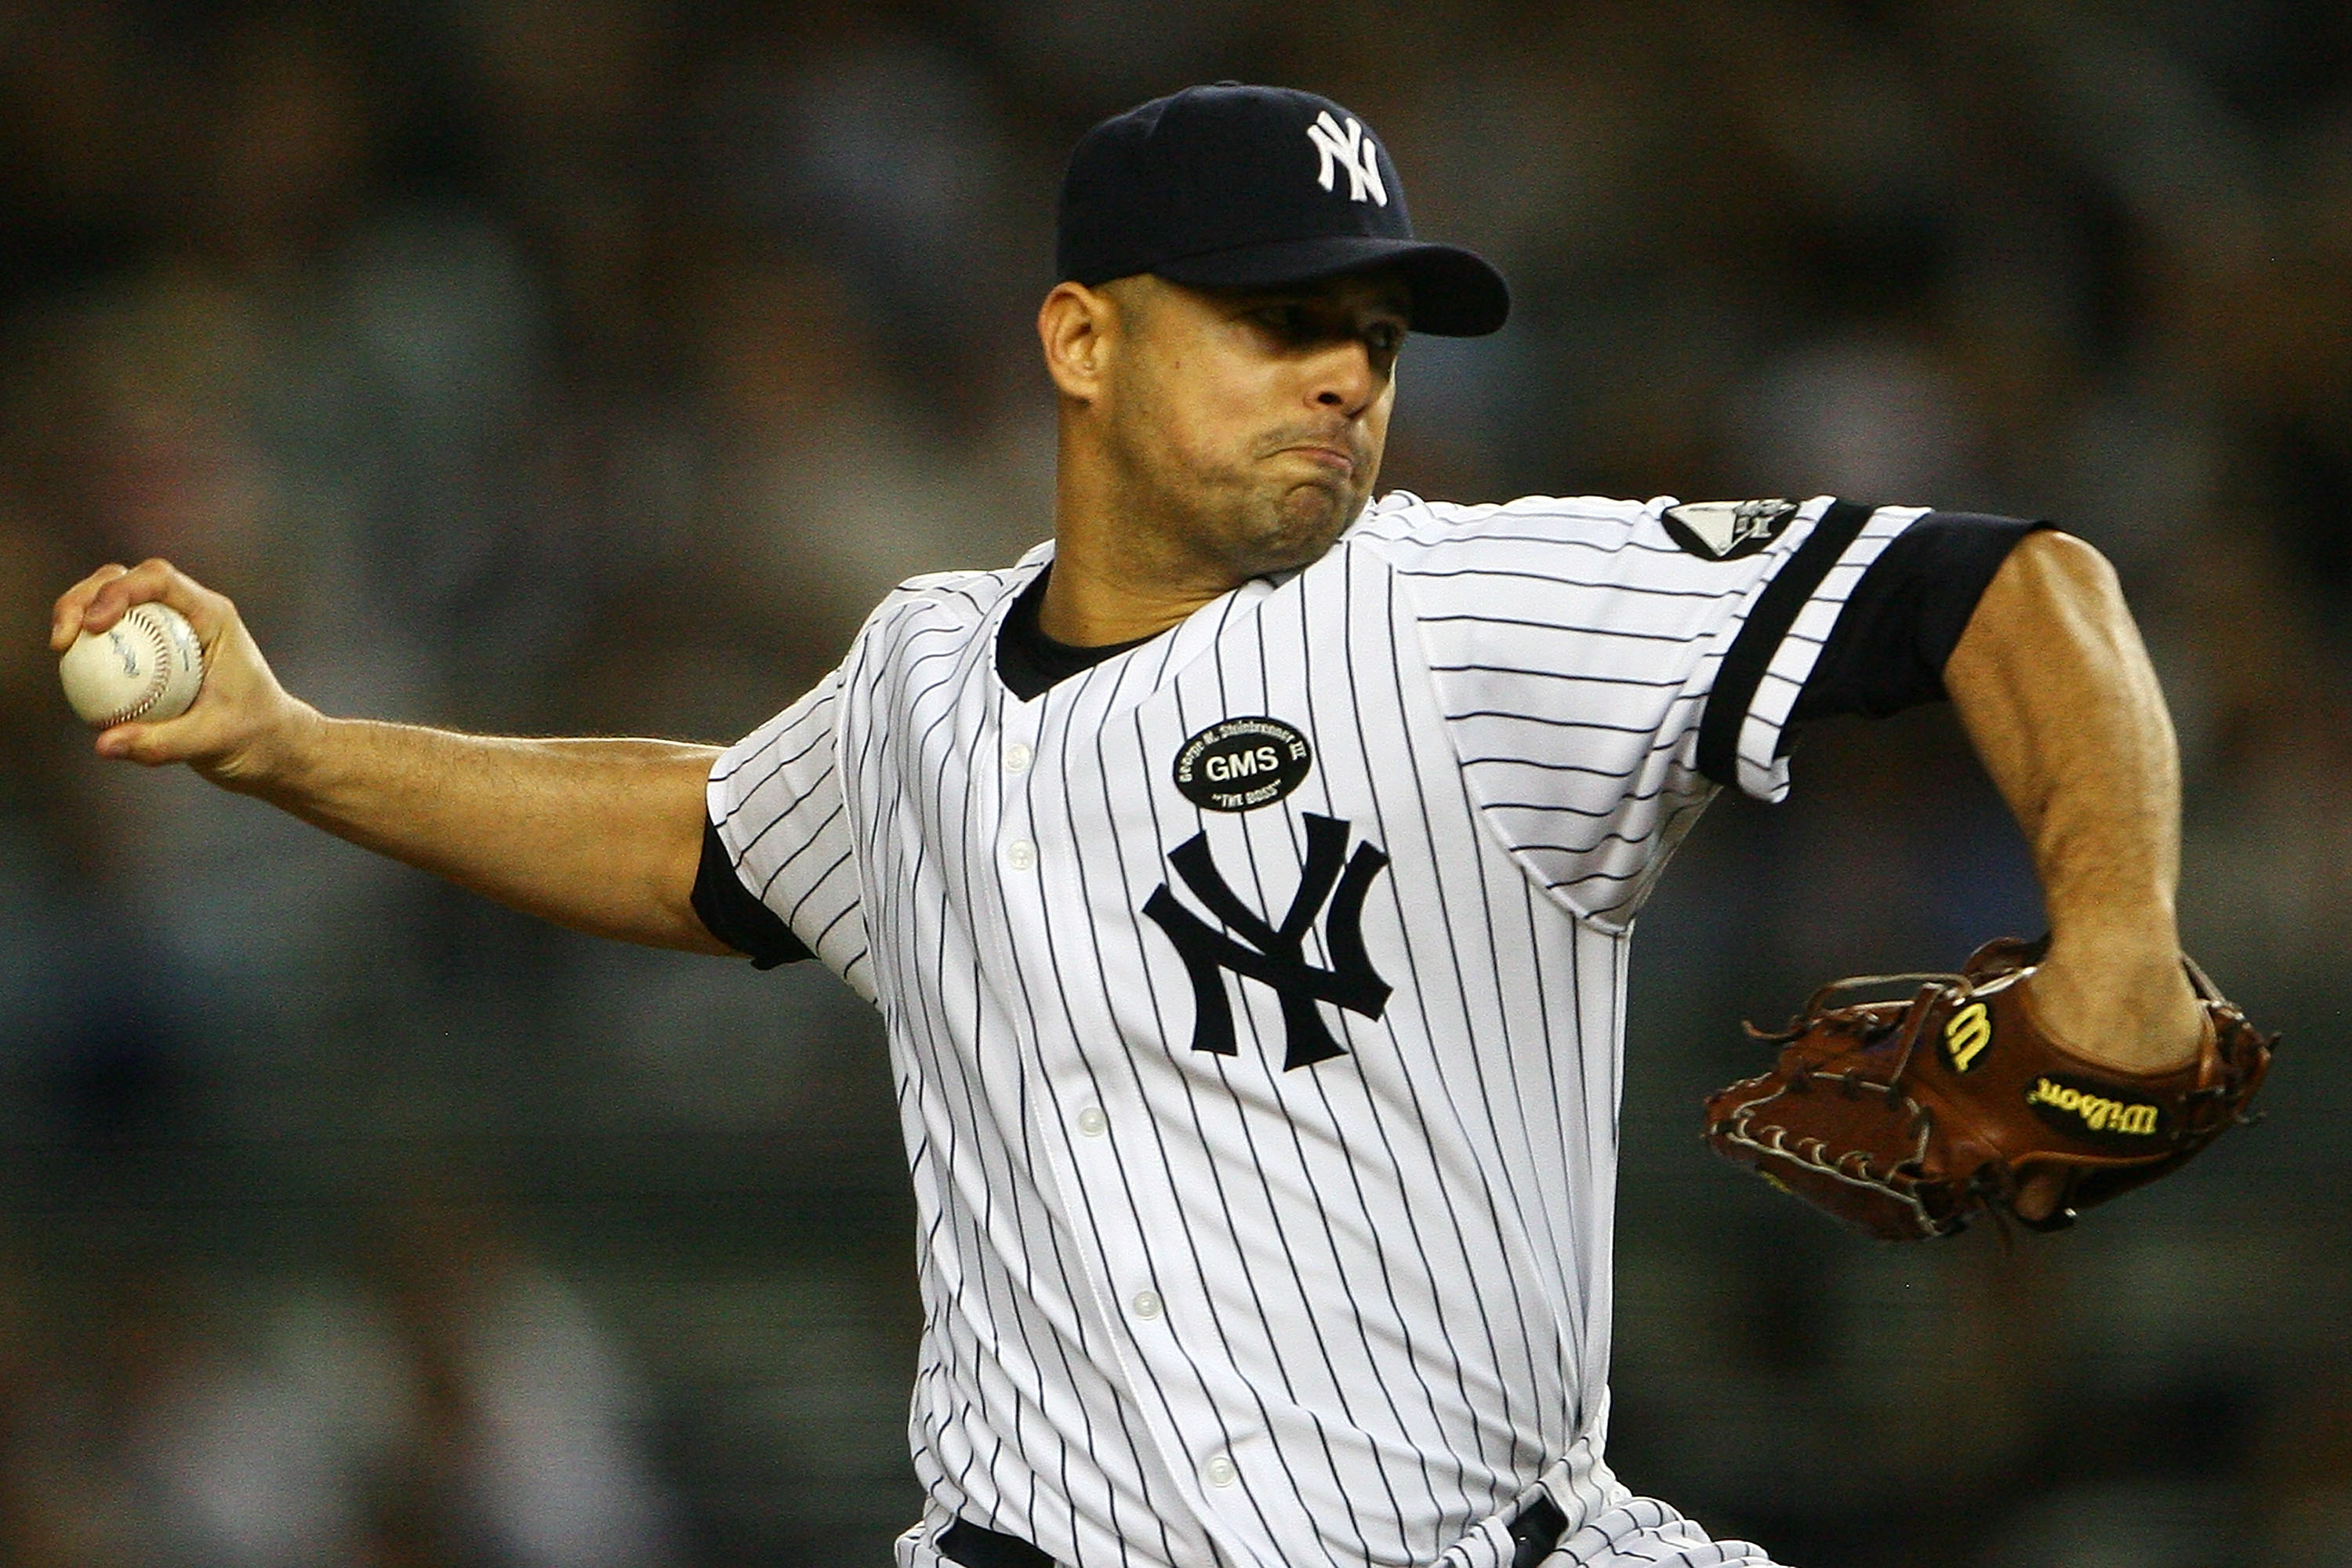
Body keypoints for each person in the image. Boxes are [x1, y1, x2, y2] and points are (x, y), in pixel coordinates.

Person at [52, 84, 2203, 1568]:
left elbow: (2018, 589)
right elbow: (703, 840)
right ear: (1080, 338)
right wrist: (288, 747)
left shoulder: (1456, 605)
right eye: (1281, 322)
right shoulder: (914, 682)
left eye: (1372, 335)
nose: (1349, 377)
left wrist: (2113, 932)